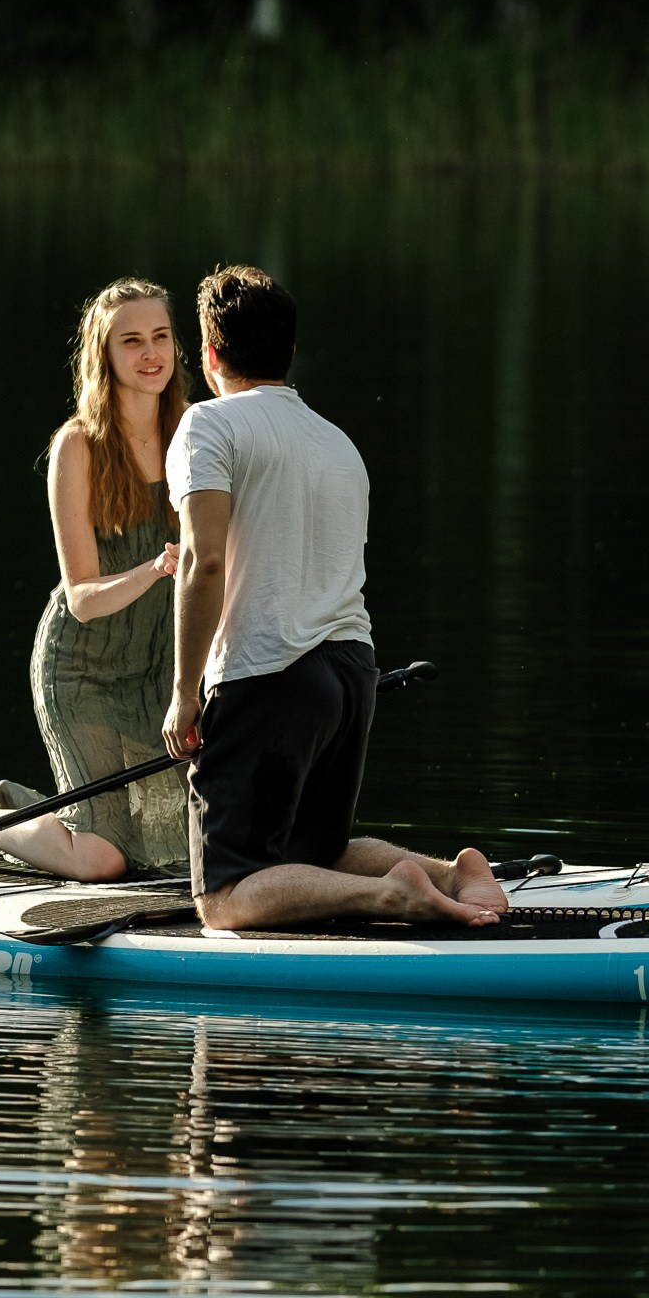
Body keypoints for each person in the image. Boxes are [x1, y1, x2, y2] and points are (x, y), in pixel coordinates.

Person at [161, 263, 509, 932]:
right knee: (316, 850)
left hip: (269, 675)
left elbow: (203, 564)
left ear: (208, 355)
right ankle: (450, 873)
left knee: (224, 896)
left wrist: (184, 693)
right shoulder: (338, 443)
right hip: (353, 675)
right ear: (290, 351)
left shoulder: (208, 426)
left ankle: (392, 895)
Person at [0, 278, 192, 877]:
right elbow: (80, 598)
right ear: (103, 356)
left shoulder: (194, 430)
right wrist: (155, 568)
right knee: (102, 859)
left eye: (160, 336)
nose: (150, 353)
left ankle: (15, 810)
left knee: (175, 851)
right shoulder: (77, 447)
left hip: (159, 669)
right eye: (131, 342)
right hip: (82, 671)